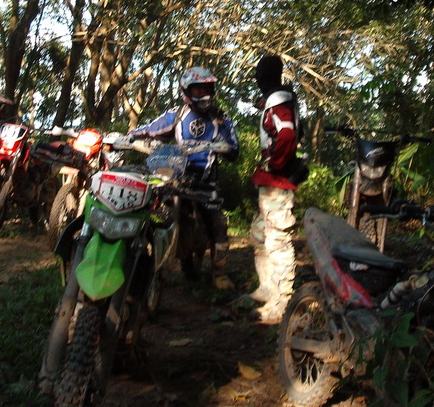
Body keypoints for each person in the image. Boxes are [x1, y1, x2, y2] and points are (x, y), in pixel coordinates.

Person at [129, 66, 240, 290]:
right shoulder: (177, 115)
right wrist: (128, 137)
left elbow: (234, 149)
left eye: (207, 89)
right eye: (198, 90)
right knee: (155, 214)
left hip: (206, 183)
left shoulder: (220, 118)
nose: (204, 94)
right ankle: (152, 263)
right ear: (187, 91)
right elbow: (148, 129)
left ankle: (219, 273)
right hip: (176, 179)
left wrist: (225, 146)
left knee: (217, 224)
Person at [245, 54, 305, 324]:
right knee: (260, 235)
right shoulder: (276, 100)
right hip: (270, 182)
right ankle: (267, 288)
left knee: (277, 241)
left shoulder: (279, 101)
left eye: (261, 73)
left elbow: (288, 135)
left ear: (266, 77)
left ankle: (282, 303)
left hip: (278, 180)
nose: (258, 78)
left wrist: (276, 164)